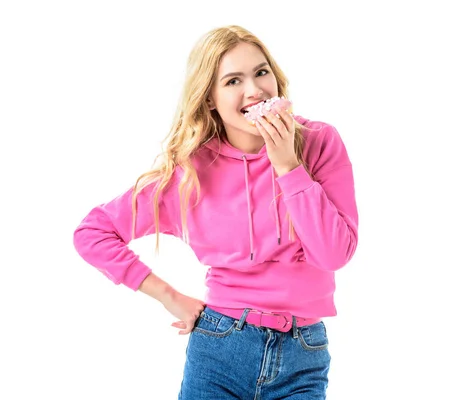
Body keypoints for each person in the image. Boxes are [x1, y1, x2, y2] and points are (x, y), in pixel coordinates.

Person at [73, 25, 358, 399]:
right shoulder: (191, 171)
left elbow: (334, 254)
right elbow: (93, 232)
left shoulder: (319, 143)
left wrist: (289, 167)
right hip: (220, 348)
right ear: (209, 99)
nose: (254, 90)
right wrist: (170, 297)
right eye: (232, 81)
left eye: (261, 72)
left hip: (303, 354)